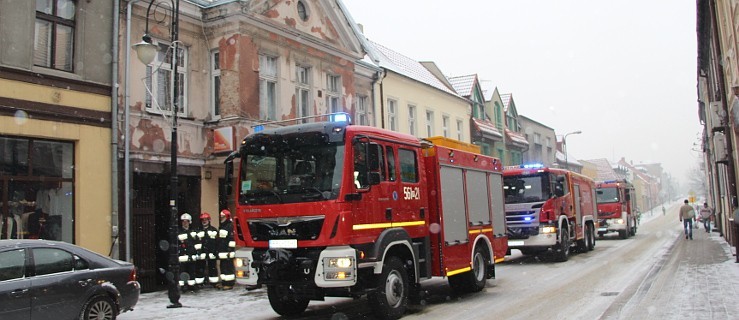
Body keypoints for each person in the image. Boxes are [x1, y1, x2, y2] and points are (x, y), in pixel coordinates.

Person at [177, 213, 200, 291]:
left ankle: (191, 286)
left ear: (189, 222)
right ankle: (183, 286)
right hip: (182, 257)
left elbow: (197, 244)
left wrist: (198, 252)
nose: (185, 223)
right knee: (182, 272)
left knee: (192, 272)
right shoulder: (178, 232)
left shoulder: (193, 232)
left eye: (186, 221)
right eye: (183, 221)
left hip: (191, 256)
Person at [197, 212, 220, 288]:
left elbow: (217, 242)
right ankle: (199, 284)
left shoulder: (214, 230)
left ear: (209, 220)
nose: (204, 221)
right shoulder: (198, 231)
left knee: (213, 268)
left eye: (206, 219)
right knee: (200, 268)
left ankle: (214, 283)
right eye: (203, 219)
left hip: (211, 253)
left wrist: (216, 251)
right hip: (202, 253)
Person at [217, 209, 236, 290]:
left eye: (223, 216)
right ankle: (224, 282)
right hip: (222, 251)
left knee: (228, 268)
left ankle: (230, 284)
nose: (221, 218)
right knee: (223, 267)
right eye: (221, 216)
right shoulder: (223, 226)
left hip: (228, 252)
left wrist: (229, 249)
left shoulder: (230, 226)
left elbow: (231, 239)